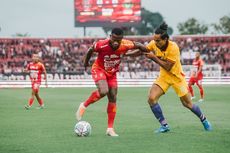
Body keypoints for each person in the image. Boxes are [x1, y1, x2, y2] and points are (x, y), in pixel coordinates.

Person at [142, 22, 212, 133]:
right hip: (164, 77)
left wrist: (153, 57)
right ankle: (164, 125)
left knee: (187, 104)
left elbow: (168, 67)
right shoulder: (154, 43)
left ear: (165, 39)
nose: (155, 43)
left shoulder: (173, 47)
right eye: (154, 40)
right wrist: (125, 52)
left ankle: (204, 120)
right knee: (151, 99)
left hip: (177, 78)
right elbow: (143, 49)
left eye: (158, 40)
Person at [75, 28, 145, 137]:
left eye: (119, 40)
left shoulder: (126, 44)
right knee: (104, 91)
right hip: (99, 69)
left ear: (122, 39)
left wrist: (148, 50)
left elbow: (139, 45)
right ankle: (84, 105)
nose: (116, 42)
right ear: (110, 36)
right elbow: (90, 50)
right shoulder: (101, 44)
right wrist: (86, 62)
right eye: (114, 39)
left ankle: (110, 129)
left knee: (113, 97)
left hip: (112, 73)